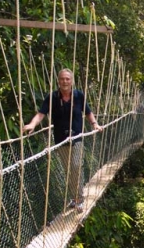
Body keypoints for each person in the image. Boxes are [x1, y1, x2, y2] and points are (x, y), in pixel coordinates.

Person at [23, 68, 102, 213]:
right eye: (62, 79)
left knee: (76, 166)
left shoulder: (79, 95)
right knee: (68, 171)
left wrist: (94, 124)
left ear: (71, 81)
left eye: (67, 79)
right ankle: (74, 197)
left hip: (77, 138)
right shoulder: (52, 97)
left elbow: (88, 112)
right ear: (58, 81)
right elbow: (41, 114)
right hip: (60, 140)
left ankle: (79, 199)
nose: (65, 81)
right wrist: (32, 124)